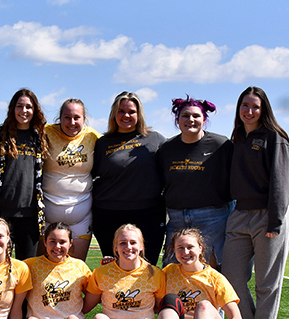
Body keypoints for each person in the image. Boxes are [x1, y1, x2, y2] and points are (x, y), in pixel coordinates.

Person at [221, 86, 289, 319]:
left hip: (268, 215)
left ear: (264, 110)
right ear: (238, 109)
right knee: (232, 277)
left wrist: (274, 223)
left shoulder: (275, 137)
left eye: (255, 107)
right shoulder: (237, 138)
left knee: (267, 281)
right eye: (245, 106)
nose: (249, 111)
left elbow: (280, 182)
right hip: (239, 214)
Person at [0, 222, 93, 319]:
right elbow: (1, 265)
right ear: (44, 242)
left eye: (62, 242)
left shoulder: (80, 267)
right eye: (52, 241)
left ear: (70, 243)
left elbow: (95, 293)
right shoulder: (30, 265)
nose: (57, 246)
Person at [157, 96, 233, 267]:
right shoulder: (167, 148)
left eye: (196, 116)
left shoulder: (221, 145)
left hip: (212, 217)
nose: (191, 120)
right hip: (176, 218)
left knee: (209, 269)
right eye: (185, 115)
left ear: (204, 119)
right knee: (173, 269)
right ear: (177, 120)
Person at [92, 91, 167, 264]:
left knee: (146, 268)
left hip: (148, 214)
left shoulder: (155, 139)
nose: (126, 115)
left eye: (131, 112)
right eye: (121, 111)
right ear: (114, 114)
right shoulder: (103, 143)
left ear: (139, 114)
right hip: (108, 215)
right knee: (114, 268)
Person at [159, 228, 243, 319]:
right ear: (174, 251)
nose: (185, 252)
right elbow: (139, 274)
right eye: (180, 248)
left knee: (204, 305)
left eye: (190, 247)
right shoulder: (168, 271)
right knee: (170, 299)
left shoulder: (215, 278)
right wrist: (114, 262)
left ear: (200, 248)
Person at [86, 224, 166, 319]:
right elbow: (85, 306)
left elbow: (159, 308)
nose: (128, 247)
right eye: (122, 243)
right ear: (115, 248)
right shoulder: (101, 273)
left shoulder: (155, 274)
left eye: (133, 242)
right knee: (99, 318)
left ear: (141, 246)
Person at [0, 88, 49, 260]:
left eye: (29, 107)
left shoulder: (40, 137)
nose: (24, 111)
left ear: (35, 110)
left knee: (25, 268)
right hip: (0, 212)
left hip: (30, 213)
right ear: (12, 108)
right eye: (20, 106)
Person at [43, 99, 101, 260]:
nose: (72, 122)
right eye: (67, 117)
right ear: (60, 118)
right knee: (45, 269)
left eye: (77, 117)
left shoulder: (93, 136)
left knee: (76, 270)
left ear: (84, 119)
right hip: (48, 215)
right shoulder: (45, 132)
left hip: (81, 217)